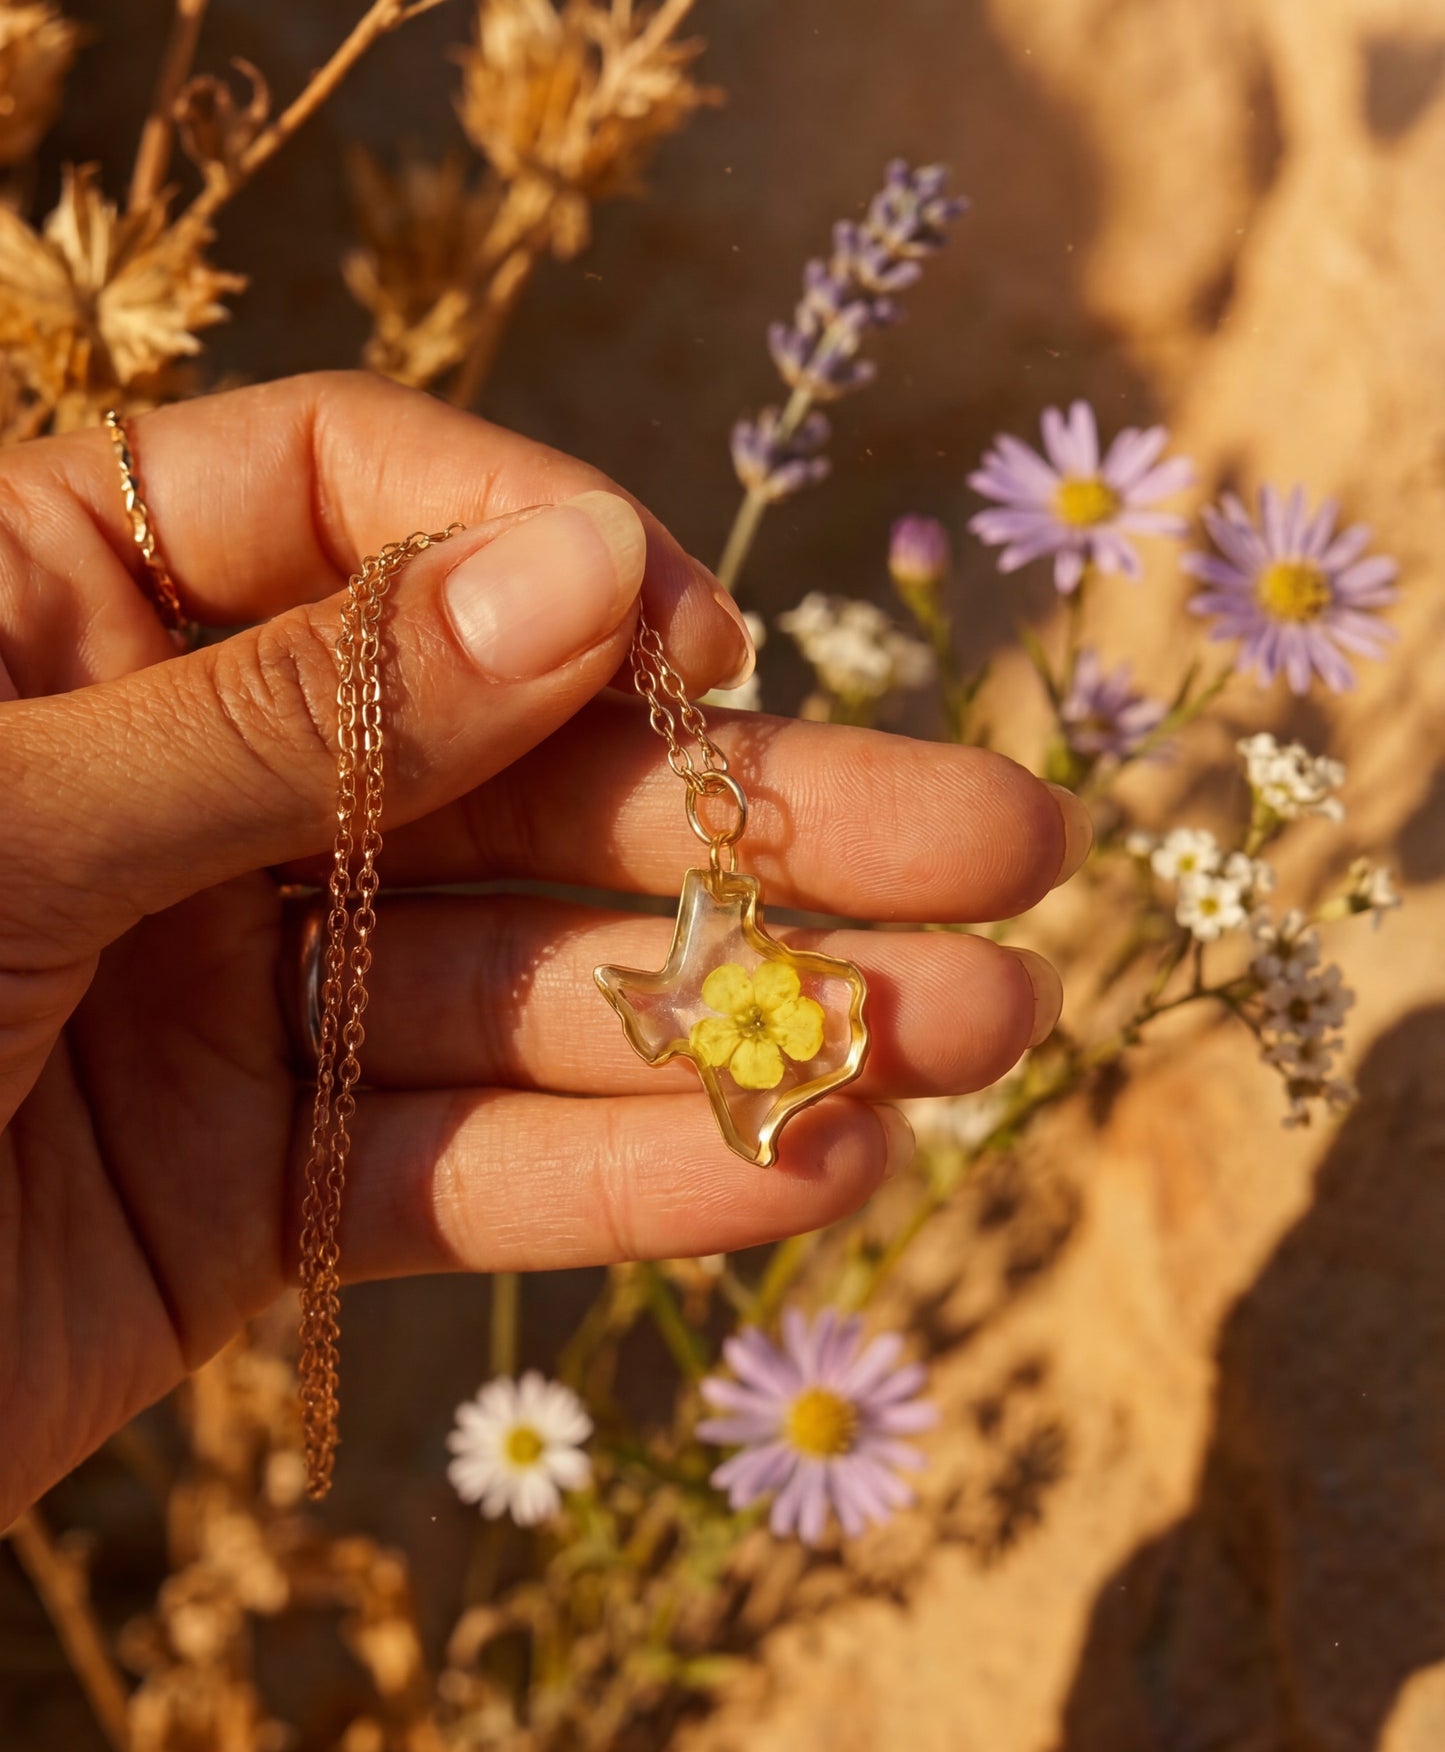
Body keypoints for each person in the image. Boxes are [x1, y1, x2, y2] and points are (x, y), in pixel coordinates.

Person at [0, 372, 1089, 1525]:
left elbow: (725, 1042)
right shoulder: (708, 982)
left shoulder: (742, 986)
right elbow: (674, 1008)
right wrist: (367, 678)